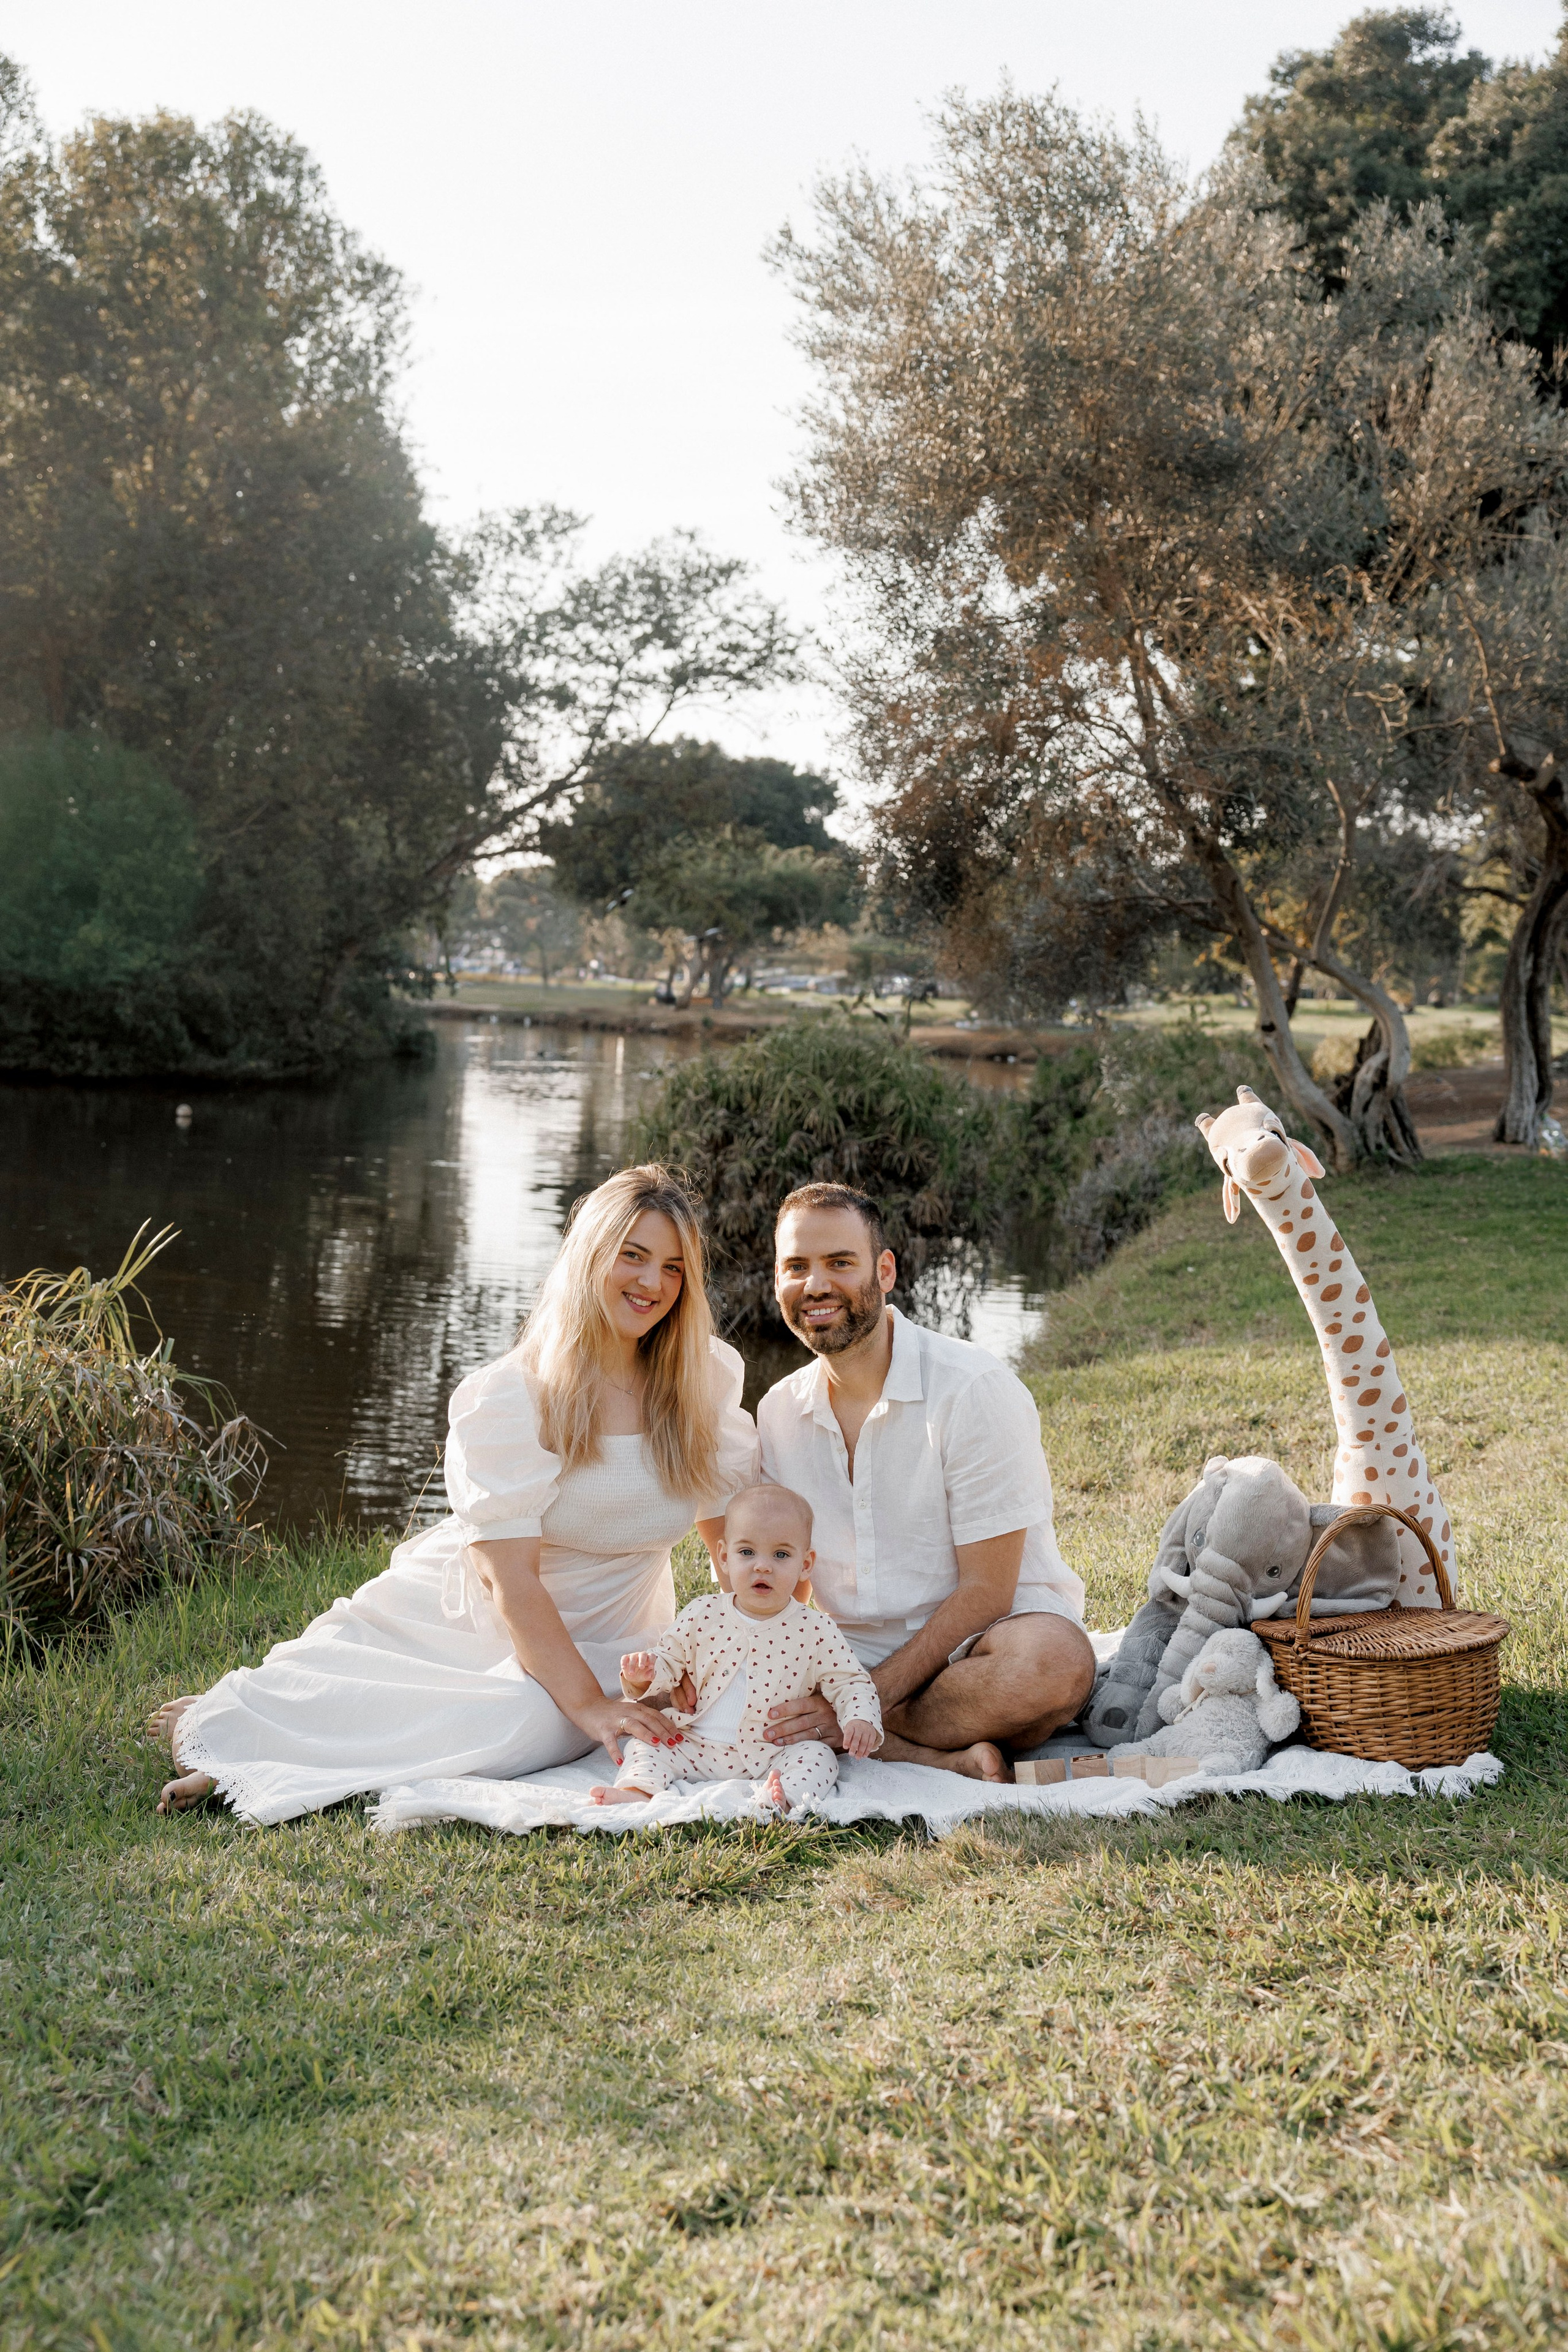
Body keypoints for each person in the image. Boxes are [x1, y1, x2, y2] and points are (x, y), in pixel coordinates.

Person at [150, 1166, 759, 1822]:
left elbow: (731, 1542)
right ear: (588, 1258)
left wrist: (756, 1647)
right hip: (487, 1628)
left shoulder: (705, 1380)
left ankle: (276, 1735)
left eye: (673, 1268)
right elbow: (509, 1583)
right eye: (632, 1256)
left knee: (705, 1709)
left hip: (627, 1635)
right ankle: (237, 1735)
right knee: (528, 1722)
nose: (651, 1283)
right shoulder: (514, 1395)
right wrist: (588, 1705)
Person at [757, 1183, 1095, 1783]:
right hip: (851, 1651)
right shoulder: (778, 1411)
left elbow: (987, 1593)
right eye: (796, 1267)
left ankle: (855, 1730)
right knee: (734, 1679)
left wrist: (861, 1699)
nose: (815, 1286)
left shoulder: (972, 1389)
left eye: (839, 1263)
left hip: (983, 1640)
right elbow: (790, 1583)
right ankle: (933, 1754)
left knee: (1052, 1667)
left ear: (884, 1271)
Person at [590, 1480, 881, 1815]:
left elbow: (850, 1681)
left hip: (770, 1750)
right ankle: (638, 1790)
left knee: (820, 1758)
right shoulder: (703, 1612)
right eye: (747, 1552)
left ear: (806, 1564)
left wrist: (860, 1717)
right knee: (647, 1745)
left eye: (781, 1554)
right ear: (724, 1557)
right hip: (693, 1742)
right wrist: (645, 1675)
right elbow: (669, 1662)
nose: (762, 1566)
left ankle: (783, 1798)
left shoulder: (816, 1629)